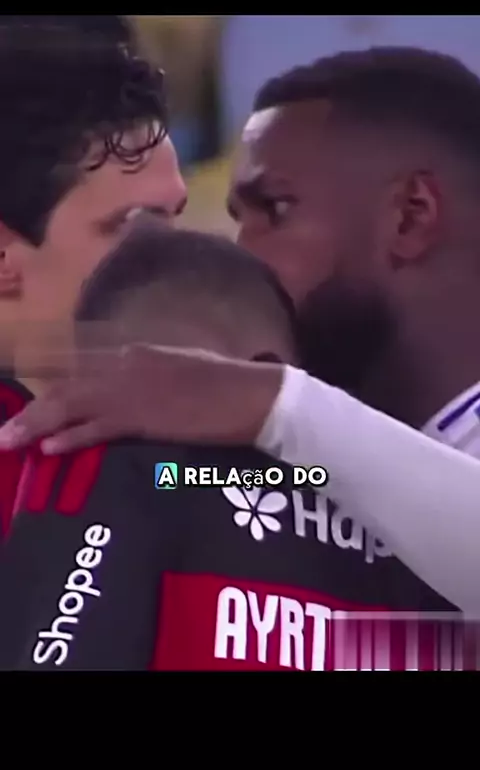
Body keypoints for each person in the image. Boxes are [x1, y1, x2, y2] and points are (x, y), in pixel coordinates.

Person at [4, 47, 480, 617]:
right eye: (238, 220)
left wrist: (277, 403)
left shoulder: (303, 431)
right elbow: (181, 481)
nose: (238, 255)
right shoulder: (312, 463)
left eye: (275, 210)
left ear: (411, 215)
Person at [0, 223, 459, 672]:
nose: (137, 412)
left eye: (170, 384)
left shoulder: (123, 472)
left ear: (264, 375)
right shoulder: (401, 521)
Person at [0, 15, 185, 539]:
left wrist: (287, 421)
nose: (185, 260)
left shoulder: (183, 452)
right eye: (135, 227)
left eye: (175, 221)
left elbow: (305, 481)